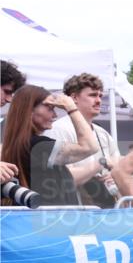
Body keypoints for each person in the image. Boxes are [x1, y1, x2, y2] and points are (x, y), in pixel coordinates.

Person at [1, 84, 97, 205]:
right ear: (29, 110)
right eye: (50, 108)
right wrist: (71, 108)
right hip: (49, 219)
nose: (55, 115)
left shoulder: (21, 144)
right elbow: (89, 147)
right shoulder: (37, 146)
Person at [43, 73, 122, 208]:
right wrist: (101, 163)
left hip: (105, 210)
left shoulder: (103, 133)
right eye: (92, 95)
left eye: (100, 96)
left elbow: (125, 169)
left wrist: (115, 176)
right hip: (75, 213)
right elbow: (61, 179)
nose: (98, 100)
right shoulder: (59, 129)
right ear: (74, 98)